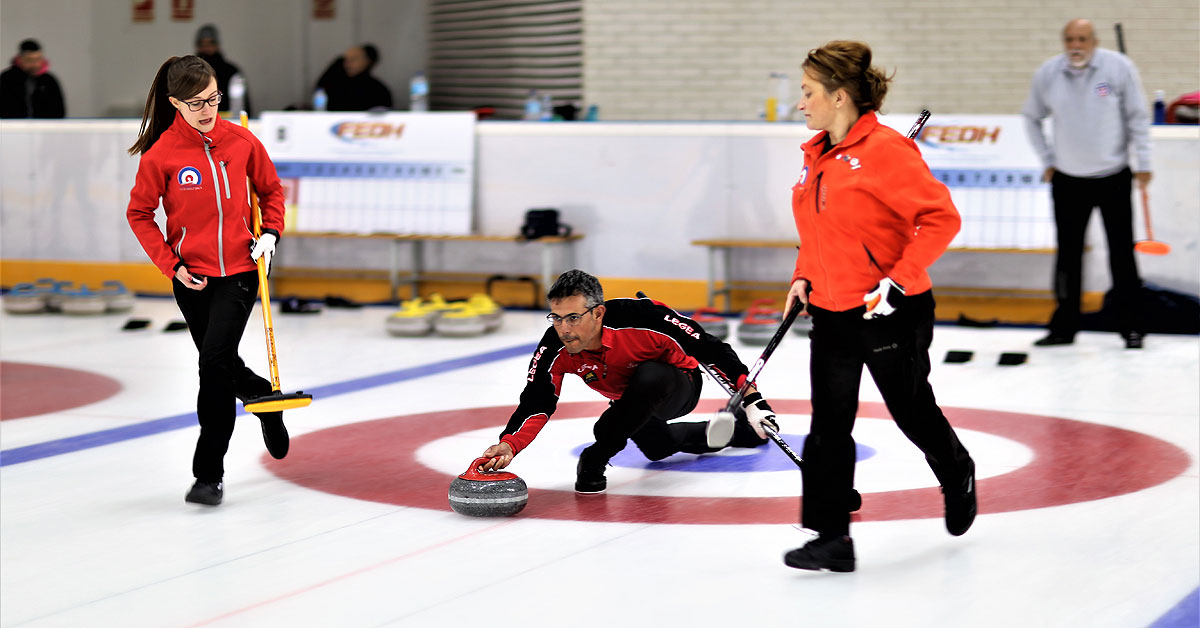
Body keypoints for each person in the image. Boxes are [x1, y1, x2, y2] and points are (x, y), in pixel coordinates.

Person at [782, 41, 976, 572]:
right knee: (828, 424)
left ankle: (956, 468)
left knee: (911, 410)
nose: (800, 103)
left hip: (890, 309)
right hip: (831, 309)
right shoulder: (817, 154)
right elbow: (820, 231)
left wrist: (898, 281)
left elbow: (941, 219)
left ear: (839, 97)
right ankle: (831, 538)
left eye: (808, 92)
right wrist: (804, 275)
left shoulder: (888, 152)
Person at [126, 55, 289, 507]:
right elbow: (139, 213)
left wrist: (271, 233)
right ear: (175, 103)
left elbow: (271, 190)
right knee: (218, 362)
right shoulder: (162, 154)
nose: (207, 109)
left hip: (240, 269)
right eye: (196, 102)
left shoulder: (241, 141)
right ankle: (262, 396)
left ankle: (208, 474)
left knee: (212, 364)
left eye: (213, 98)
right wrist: (170, 265)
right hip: (191, 277)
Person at [478, 270, 779, 494]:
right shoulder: (554, 347)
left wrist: (754, 401)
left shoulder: (643, 318)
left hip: (677, 386)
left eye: (572, 318)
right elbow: (537, 400)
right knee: (658, 448)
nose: (563, 329)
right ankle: (744, 432)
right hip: (629, 403)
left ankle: (596, 456)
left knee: (633, 396)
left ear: (598, 313)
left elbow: (711, 349)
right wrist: (509, 444)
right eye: (555, 318)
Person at [1023, 18, 1150, 350]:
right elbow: (1031, 117)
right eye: (1069, 40)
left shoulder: (1119, 68)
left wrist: (1144, 163)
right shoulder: (1048, 73)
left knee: (1122, 254)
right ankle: (1064, 328)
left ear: (1093, 41)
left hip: (1114, 176)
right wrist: (1047, 159)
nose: (1075, 45)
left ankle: (1132, 327)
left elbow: (1138, 116)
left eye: (1082, 39)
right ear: (1063, 42)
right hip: (1068, 179)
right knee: (1068, 256)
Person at [194, 24, 251, 117]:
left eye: (210, 43)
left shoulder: (231, 72)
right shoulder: (189, 71)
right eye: (202, 44)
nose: (206, 47)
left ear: (217, 45)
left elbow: (238, 105)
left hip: (226, 123)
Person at [314, 44, 393, 111]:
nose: (348, 63)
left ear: (367, 61)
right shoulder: (333, 83)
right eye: (345, 60)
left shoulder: (377, 90)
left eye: (354, 59)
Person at [0, 39, 66, 118]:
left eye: (38, 59)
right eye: (30, 60)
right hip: (13, 127)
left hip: (45, 128)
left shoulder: (49, 80)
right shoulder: (7, 78)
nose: (35, 64)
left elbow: (59, 110)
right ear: (20, 59)